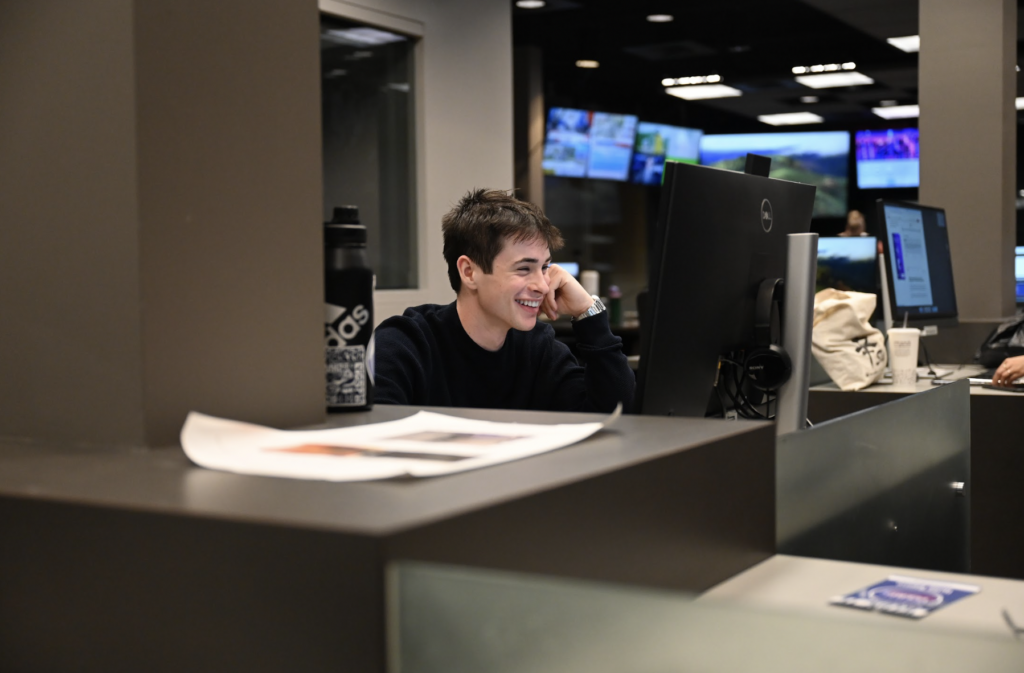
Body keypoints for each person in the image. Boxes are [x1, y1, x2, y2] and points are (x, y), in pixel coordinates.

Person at [372, 188, 635, 412]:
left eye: (544, 267)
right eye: (524, 268)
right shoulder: (405, 345)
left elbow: (614, 413)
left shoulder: (538, 347)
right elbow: (373, 440)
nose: (543, 285)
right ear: (469, 272)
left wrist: (587, 311)